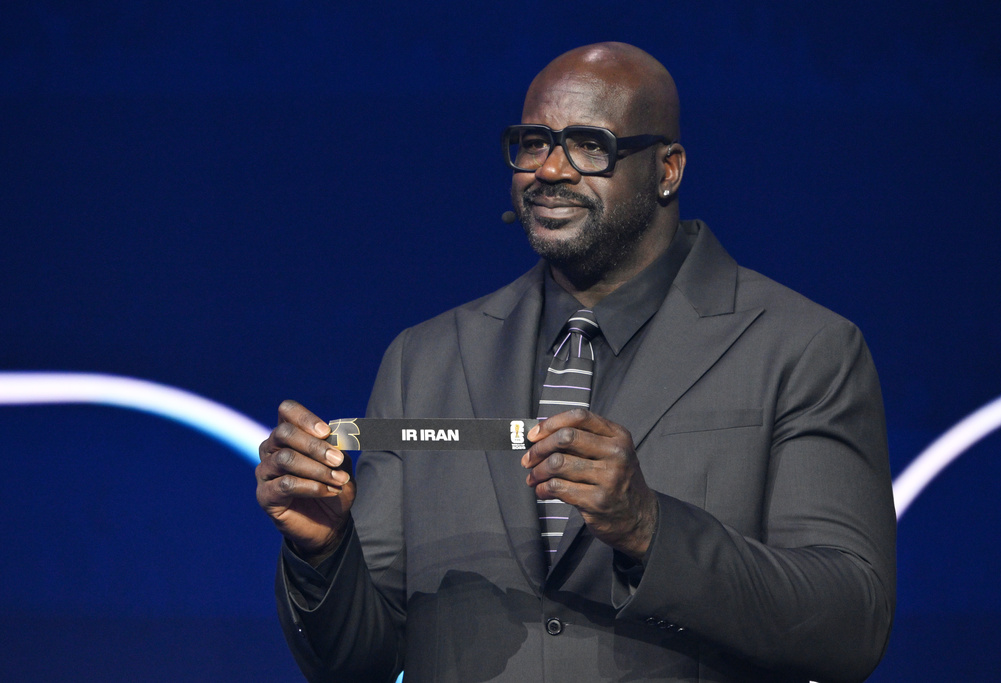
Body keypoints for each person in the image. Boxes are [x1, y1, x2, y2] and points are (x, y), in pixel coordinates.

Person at [256, 42, 896, 683]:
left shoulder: (803, 348)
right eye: (533, 143)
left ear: (667, 169)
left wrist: (651, 528)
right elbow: (358, 663)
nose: (551, 170)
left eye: (590, 146)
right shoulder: (424, 360)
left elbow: (849, 623)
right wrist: (325, 550)